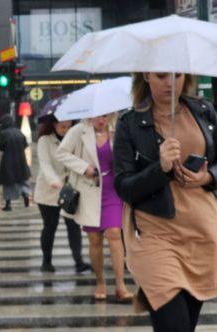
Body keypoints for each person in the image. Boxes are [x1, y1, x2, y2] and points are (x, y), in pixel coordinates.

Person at [113, 73, 217, 332]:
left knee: (186, 325)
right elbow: (124, 186)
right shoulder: (130, 122)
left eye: (177, 75)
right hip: (154, 234)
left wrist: (209, 176)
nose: (170, 82)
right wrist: (161, 168)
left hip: (201, 231)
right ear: (146, 76)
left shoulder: (203, 111)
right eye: (160, 75)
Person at [55, 114, 133, 302]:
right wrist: (83, 167)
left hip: (113, 190)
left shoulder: (118, 130)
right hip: (89, 190)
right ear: (90, 116)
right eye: (98, 117)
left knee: (115, 233)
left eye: (106, 116)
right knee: (95, 239)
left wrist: (120, 144)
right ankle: (100, 281)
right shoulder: (78, 130)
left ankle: (121, 285)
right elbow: (61, 153)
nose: (102, 120)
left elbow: (130, 155)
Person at [34, 115, 91, 274]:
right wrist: (54, 181)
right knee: (49, 226)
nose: (66, 130)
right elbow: (45, 164)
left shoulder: (77, 138)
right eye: (62, 127)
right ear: (53, 124)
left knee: (73, 226)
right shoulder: (45, 140)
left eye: (69, 126)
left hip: (71, 190)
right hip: (48, 190)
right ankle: (46, 261)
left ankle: (79, 262)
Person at [0, 114, 31, 211]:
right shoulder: (19, 132)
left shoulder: (4, 133)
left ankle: (8, 204)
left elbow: (1, 147)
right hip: (21, 160)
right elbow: (25, 144)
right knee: (21, 179)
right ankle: (25, 194)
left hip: (8, 160)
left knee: (8, 182)